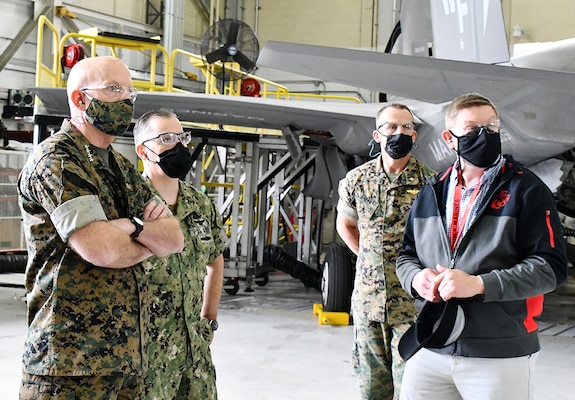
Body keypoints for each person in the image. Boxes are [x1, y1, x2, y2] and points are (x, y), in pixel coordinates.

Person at [17, 56, 185, 400]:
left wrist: (128, 226)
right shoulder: (58, 159)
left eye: (129, 91)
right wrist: (144, 231)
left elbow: (173, 237)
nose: (126, 100)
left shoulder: (121, 166)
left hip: (125, 364)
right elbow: (102, 249)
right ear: (80, 99)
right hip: (68, 368)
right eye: (113, 89)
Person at [396, 93, 568, 400]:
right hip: (432, 341)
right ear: (450, 138)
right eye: (473, 129)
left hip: (498, 351)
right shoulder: (431, 192)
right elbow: (407, 254)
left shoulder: (526, 190)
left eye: (491, 127)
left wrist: (479, 284)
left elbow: (549, 268)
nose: (485, 135)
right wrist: (415, 279)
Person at [336, 103, 435, 399]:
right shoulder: (356, 180)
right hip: (369, 302)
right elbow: (346, 225)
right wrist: (366, 257)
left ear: (414, 136)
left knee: (412, 387)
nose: (398, 132)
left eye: (406, 127)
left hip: (412, 304)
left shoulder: (430, 184)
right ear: (377, 135)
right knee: (371, 388)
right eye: (391, 127)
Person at [132, 110, 225, 400]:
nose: (179, 146)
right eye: (166, 139)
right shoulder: (129, 203)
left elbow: (215, 260)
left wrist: (209, 319)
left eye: (182, 137)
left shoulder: (199, 204)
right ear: (143, 150)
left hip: (194, 355)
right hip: (145, 358)